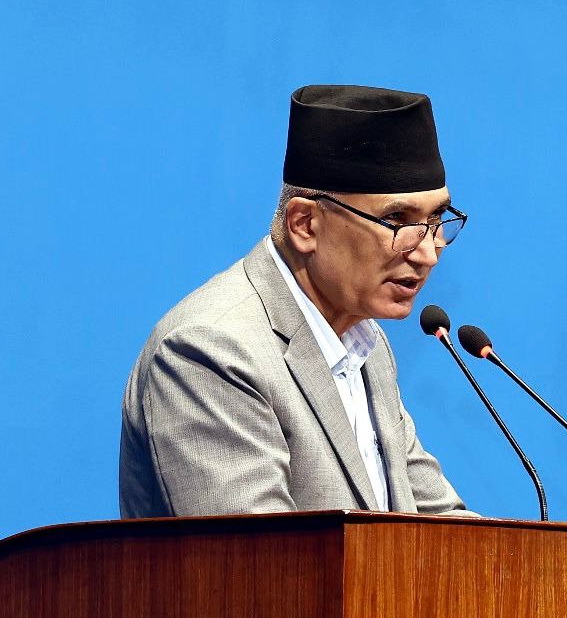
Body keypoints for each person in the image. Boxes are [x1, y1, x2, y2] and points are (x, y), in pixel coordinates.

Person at [120, 84, 470, 519]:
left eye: (436, 219)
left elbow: (441, 527)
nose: (428, 252)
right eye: (397, 220)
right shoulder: (210, 351)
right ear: (305, 224)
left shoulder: (365, 344)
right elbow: (260, 556)